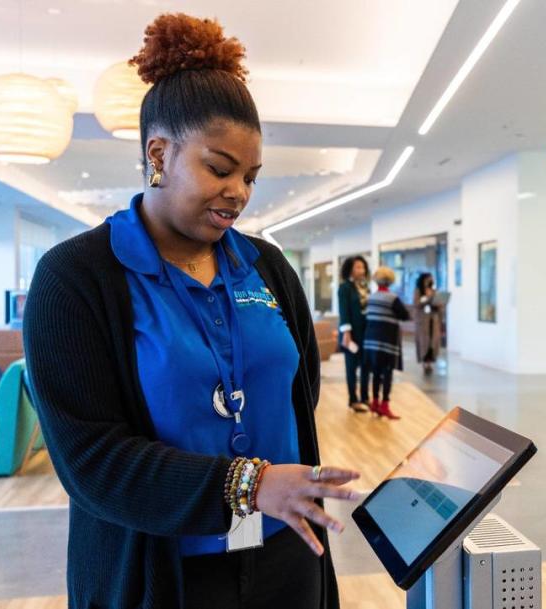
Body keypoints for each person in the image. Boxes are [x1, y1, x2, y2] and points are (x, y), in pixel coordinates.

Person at [22, 14, 358, 609]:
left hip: (284, 556)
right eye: (220, 169)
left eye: (250, 177)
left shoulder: (268, 268)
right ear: (159, 153)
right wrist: (247, 485)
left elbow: (296, 395)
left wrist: (273, 493)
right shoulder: (75, 278)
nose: (240, 193)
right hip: (160, 571)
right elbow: (90, 459)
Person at [363, 267, 410, 420]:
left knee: (376, 373)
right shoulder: (392, 298)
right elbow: (405, 315)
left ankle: (375, 402)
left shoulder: (370, 297)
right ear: (390, 280)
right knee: (387, 373)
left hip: (371, 342)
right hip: (387, 343)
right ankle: (385, 405)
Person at [337, 256, 370, 412]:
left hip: (366, 333)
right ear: (350, 269)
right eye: (358, 267)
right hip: (350, 334)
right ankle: (353, 400)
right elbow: (344, 311)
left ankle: (365, 398)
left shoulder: (365, 287)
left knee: (365, 366)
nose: (361, 270)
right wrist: (346, 333)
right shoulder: (345, 288)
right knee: (351, 367)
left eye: (363, 267)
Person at [413, 272, 443, 374]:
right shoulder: (418, 291)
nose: (430, 281)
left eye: (432, 279)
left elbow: (439, 306)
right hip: (422, 321)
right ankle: (424, 362)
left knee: (432, 342)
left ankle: (430, 362)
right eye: (428, 279)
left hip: (433, 320)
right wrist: (428, 298)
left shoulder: (434, 291)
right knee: (423, 342)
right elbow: (417, 304)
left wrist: (438, 302)